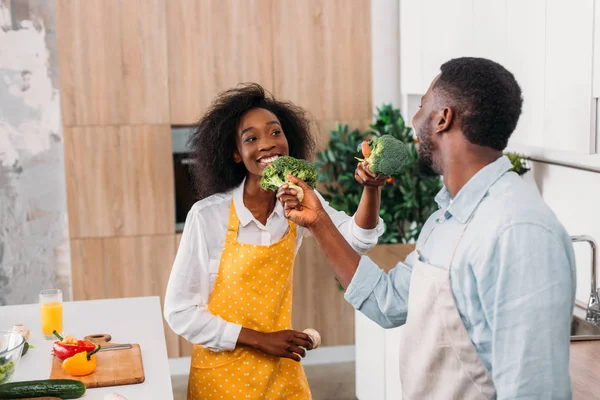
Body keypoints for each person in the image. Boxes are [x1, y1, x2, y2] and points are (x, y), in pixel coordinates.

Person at [279, 57, 576, 399]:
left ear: (443, 118)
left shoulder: (518, 230)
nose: (413, 119)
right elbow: (385, 301)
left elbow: (534, 391)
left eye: (421, 106)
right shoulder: (444, 219)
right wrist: (318, 222)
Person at [164, 83, 386, 399]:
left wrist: (371, 188)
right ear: (236, 154)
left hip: (282, 374)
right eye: (251, 138)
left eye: (275, 132)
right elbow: (180, 312)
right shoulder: (207, 216)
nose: (267, 144)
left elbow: (356, 241)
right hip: (221, 378)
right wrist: (260, 339)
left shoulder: (300, 201)